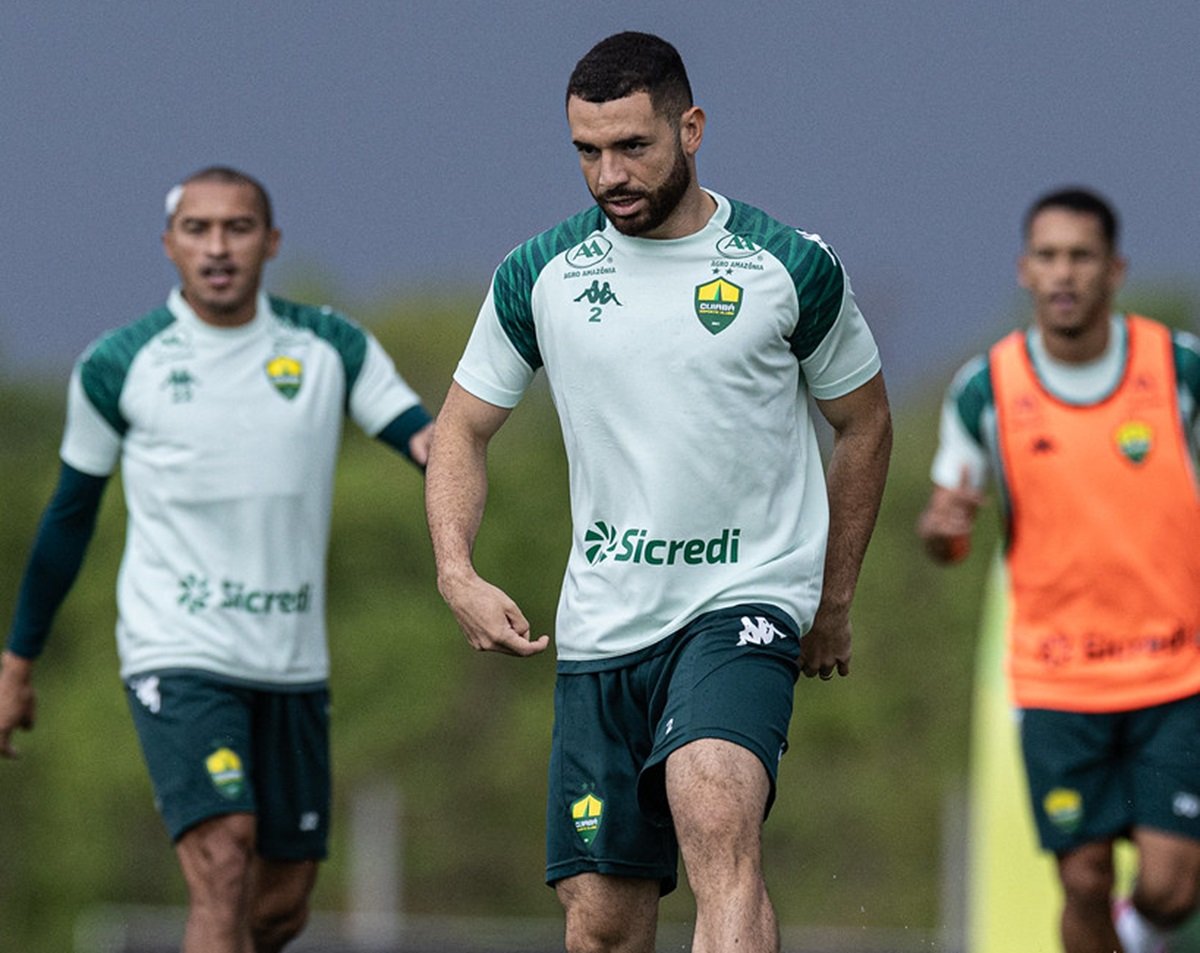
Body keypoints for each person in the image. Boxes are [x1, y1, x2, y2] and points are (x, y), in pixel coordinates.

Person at [425, 31, 892, 953]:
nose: (609, 174)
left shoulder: (786, 266)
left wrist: (832, 598)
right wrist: (454, 567)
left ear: (692, 128)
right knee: (603, 922)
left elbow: (865, 422)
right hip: (605, 622)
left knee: (716, 812)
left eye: (632, 146)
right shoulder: (540, 275)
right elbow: (462, 430)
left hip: (745, 603)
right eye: (587, 152)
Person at [0, 166, 433, 953]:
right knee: (224, 849)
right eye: (197, 229)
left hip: (293, 661)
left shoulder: (330, 344)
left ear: (270, 242)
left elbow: (430, 444)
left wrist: (477, 471)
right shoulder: (119, 363)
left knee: (280, 904)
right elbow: (68, 516)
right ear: (169, 245)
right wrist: (18, 658)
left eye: (237, 228)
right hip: (179, 647)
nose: (218, 246)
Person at [918, 186, 1200, 953]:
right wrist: (944, 528)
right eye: (1048, 256)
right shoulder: (989, 388)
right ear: (1024, 270)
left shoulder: (1176, 369)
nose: (1063, 272)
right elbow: (948, 521)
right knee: (1082, 876)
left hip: (1174, 669)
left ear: (1115, 269)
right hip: (1055, 676)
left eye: (1081, 255)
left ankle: (1140, 934)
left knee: (1174, 884)